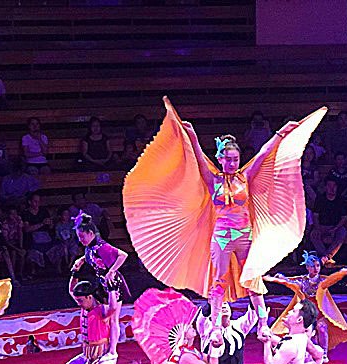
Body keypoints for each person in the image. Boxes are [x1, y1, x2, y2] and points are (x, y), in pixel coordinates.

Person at [123, 97, 324, 325]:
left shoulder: (245, 177)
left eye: (236, 159)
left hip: (244, 234)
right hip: (221, 236)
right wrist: (192, 137)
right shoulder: (213, 180)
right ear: (220, 159)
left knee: (252, 279)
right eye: (228, 160)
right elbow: (198, 158)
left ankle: (262, 325)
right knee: (219, 281)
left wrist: (280, 133)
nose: (232, 163)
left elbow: (263, 154)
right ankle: (216, 325)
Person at [63, 277, 128, 364]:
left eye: (80, 300)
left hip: (103, 354)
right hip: (88, 354)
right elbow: (71, 290)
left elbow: (113, 308)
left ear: (89, 297)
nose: (78, 303)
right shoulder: (84, 308)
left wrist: (112, 290)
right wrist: (74, 274)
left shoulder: (101, 310)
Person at [265, 252, 347, 354]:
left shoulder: (322, 280)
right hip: (307, 314)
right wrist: (276, 279)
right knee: (307, 332)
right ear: (307, 267)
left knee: (322, 327)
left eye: (317, 265)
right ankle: (308, 352)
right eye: (312, 266)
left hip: (320, 312)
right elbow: (289, 282)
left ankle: (324, 353)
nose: (316, 268)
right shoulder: (302, 281)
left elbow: (332, 279)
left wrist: (342, 272)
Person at [70, 212, 127, 352]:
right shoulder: (90, 247)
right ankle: (103, 345)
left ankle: (112, 350)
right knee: (104, 316)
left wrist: (111, 271)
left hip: (113, 284)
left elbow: (123, 255)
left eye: (82, 236)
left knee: (113, 318)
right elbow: (91, 255)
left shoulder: (102, 246)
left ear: (90, 233)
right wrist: (81, 260)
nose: (80, 240)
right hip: (102, 283)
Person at [308, 179, 347, 264]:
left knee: (343, 232)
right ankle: (325, 257)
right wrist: (317, 228)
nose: (332, 188)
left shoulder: (341, 200)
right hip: (322, 226)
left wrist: (335, 229)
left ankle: (326, 256)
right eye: (329, 186)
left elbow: (344, 218)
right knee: (313, 234)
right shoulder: (320, 199)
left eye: (334, 186)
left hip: (336, 227)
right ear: (326, 187)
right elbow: (315, 216)